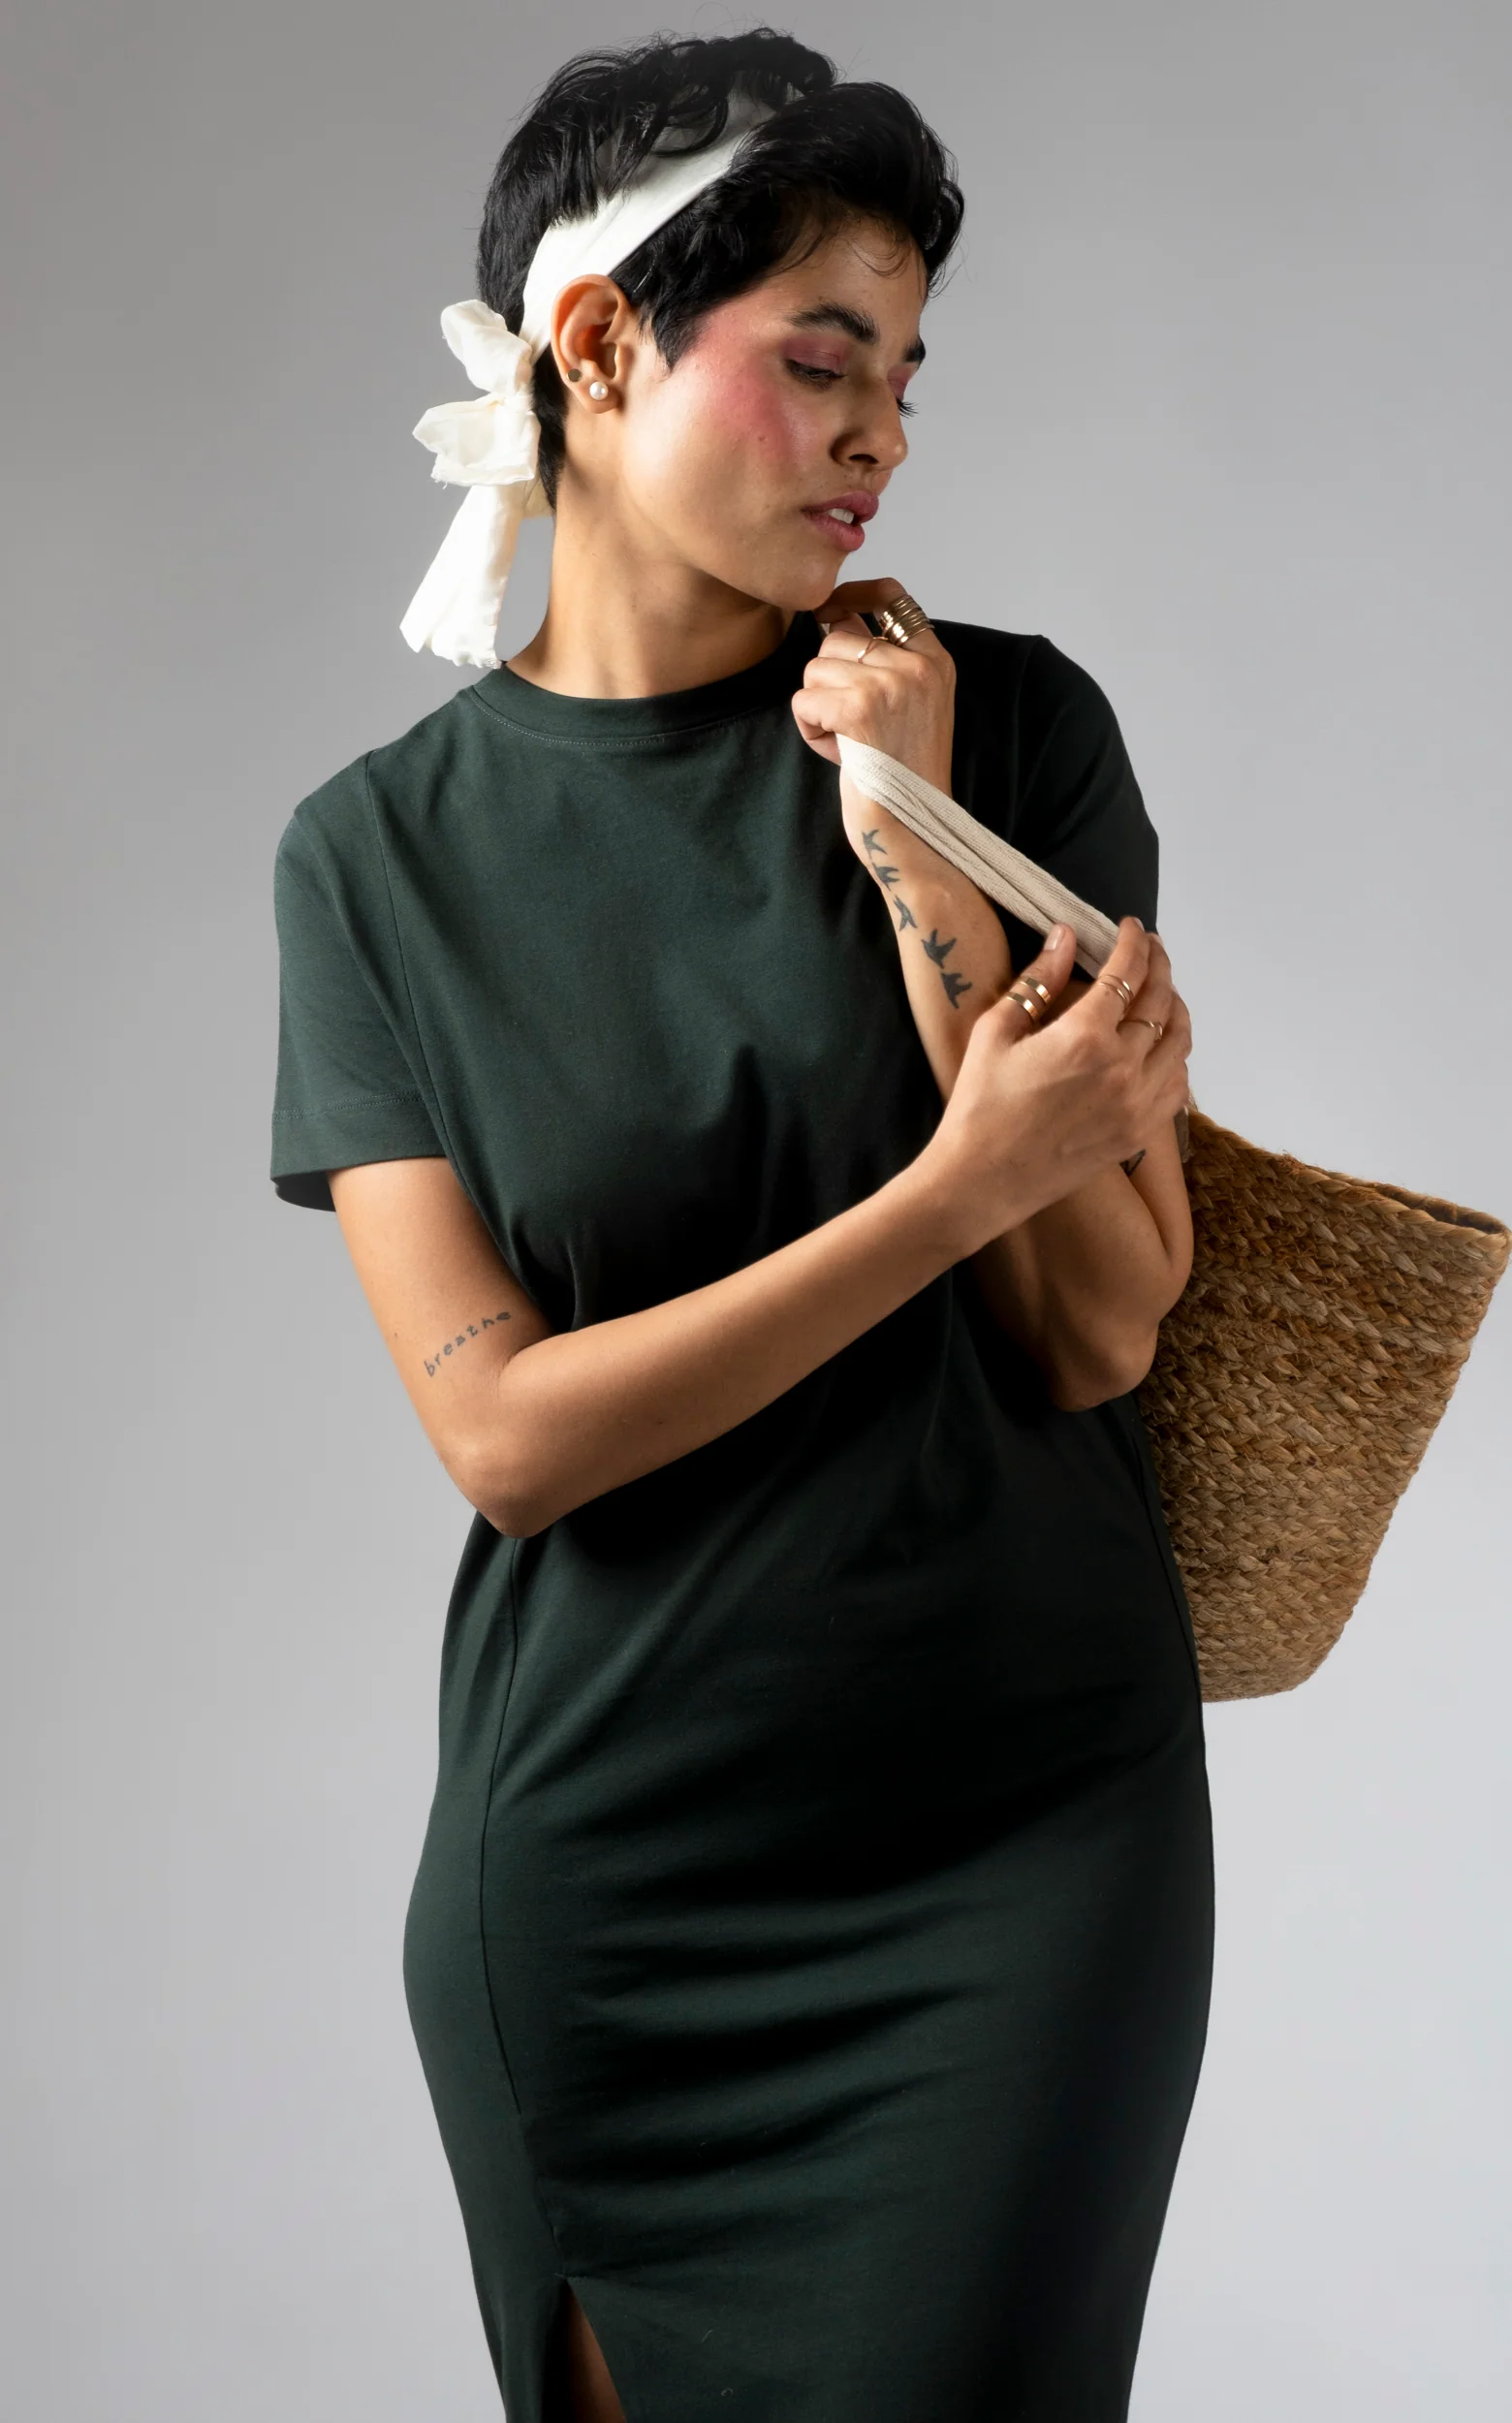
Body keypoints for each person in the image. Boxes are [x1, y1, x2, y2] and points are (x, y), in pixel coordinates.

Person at [269, 28, 1213, 2422]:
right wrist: (953, 1184)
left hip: (1025, 1843)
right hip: (614, 1869)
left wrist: (918, 840)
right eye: (819, 358)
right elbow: (508, 1436)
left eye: (903, 374)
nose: (882, 432)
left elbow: (1099, 1324)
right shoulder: (375, 860)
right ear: (596, 346)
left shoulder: (1014, 733)